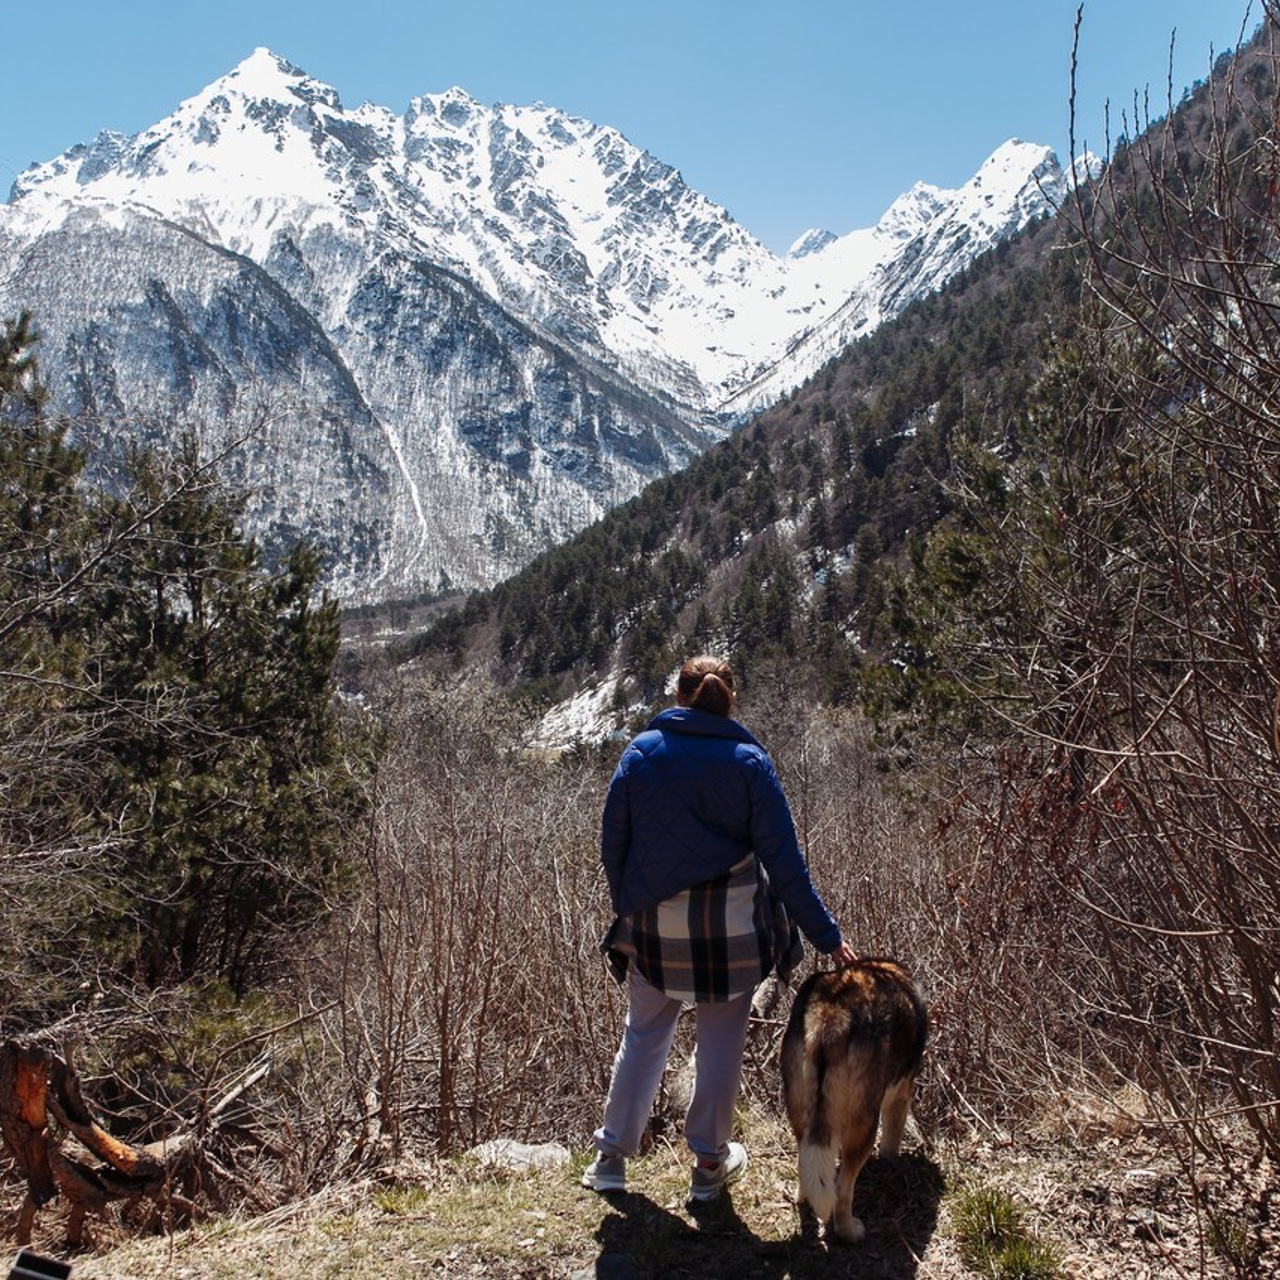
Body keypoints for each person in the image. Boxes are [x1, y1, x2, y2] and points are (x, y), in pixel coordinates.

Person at [582, 655, 857, 1203]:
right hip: (732, 936)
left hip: (656, 931)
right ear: (730, 698)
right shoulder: (749, 762)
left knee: (643, 1036)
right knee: (720, 1046)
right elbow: (785, 866)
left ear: (678, 695)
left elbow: (613, 843)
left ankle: (611, 1157)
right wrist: (828, 937)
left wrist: (631, 902)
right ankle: (709, 1164)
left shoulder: (641, 753)